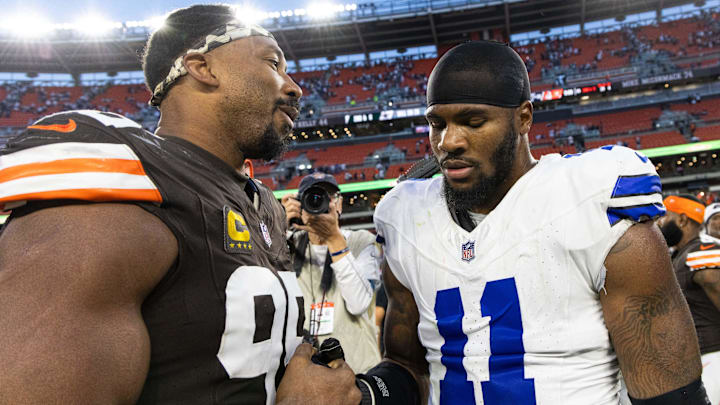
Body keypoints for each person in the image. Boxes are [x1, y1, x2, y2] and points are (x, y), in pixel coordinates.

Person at [0, 5, 360, 405]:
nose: (294, 87)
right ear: (202, 67)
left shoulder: (264, 205)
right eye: (273, 63)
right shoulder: (124, 186)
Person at [362, 41, 708, 405]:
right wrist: (367, 393)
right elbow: (406, 364)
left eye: (473, 121)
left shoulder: (591, 203)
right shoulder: (406, 217)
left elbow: (670, 395)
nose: (448, 141)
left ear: (524, 117)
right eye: (437, 123)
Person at [281, 173, 382, 373]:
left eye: (328, 197)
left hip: (357, 369)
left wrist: (334, 238)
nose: (320, 204)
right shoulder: (287, 245)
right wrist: (278, 225)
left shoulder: (361, 241)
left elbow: (358, 303)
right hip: (308, 372)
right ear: (300, 206)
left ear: (339, 204)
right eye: (313, 198)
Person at [659, 196, 720, 404]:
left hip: (714, 355)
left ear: (683, 220)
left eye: (665, 216)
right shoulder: (680, 254)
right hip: (698, 359)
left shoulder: (699, 254)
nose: (660, 222)